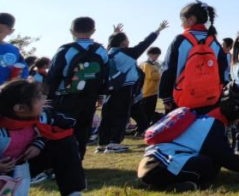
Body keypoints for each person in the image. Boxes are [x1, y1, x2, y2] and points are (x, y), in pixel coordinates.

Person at [0, 79, 89, 196]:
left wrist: (38, 144)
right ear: (20, 108)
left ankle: (73, 195)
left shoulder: (41, 117)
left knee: (65, 141)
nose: (44, 99)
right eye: (38, 98)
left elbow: (62, 126)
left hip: (24, 164)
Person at [139, 85, 239, 191]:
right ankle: (177, 186)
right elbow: (227, 158)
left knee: (211, 162)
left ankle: (178, 182)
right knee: (209, 164)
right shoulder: (213, 126)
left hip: (152, 162)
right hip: (158, 167)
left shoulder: (207, 120)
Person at [98, 21, 168, 154]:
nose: (128, 42)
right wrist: (158, 30)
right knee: (121, 115)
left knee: (107, 115)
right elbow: (145, 43)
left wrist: (115, 34)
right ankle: (114, 143)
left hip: (109, 89)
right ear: (123, 43)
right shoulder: (128, 53)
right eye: (126, 39)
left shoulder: (108, 53)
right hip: (124, 88)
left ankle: (102, 143)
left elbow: (111, 44)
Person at [45, 16, 110, 158]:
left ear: (72, 31)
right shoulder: (101, 50)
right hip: (90, 96)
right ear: (93, 31)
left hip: (66, 94)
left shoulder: (66, 49)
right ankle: (78, 156)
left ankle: (59, 158)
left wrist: (48, 96)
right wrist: (101, 95)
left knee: (62, 126)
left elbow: (54, 73)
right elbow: (105, 74)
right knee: (83, 127)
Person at [160, 1, 228, 114]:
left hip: (182, 99)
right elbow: (223, 70)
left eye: (182, 20)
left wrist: (166, 96)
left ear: (191, 19)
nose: (181, 24)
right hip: (210, 98)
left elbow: (168, 69)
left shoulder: (180, 40)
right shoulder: (214, 42)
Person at [132, 47, 163, 135]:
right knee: (146, 112)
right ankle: (141, 130)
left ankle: (142, 129)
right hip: (147, 92)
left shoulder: (151, 65)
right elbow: (153, 76)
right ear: (150, 54)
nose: (157, 57)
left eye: (158, 55)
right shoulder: (147, 65)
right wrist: (159, 73)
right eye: (155, 55)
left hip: (151, 91)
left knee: (147, 112)